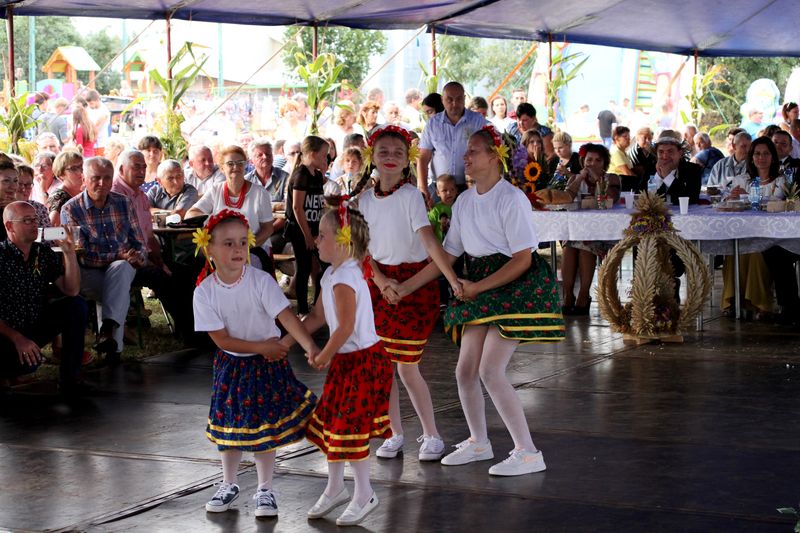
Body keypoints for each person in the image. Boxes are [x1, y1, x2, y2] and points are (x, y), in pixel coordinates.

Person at [393, 126, 564, 476]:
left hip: (513, 284)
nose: (464, 158)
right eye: (466, 152)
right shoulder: (466, 201)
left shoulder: (510, 198)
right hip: (481, 283)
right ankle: (479, 441)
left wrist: (477, 287)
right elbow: (449, 254)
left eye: (472, 151)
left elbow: (522, 259)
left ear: (493, 157)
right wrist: (407, 286)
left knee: (490, 370)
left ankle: (528, 451)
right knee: (465, 370)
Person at [192, 210, 319, 517]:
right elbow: (222, 340)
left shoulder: (261, 281)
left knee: (264, 429)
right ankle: (229, 483)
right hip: (232, 366)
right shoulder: (205, 292)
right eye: (228, 243)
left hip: (266, 366)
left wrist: (310, 345)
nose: (237, 250)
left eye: (242, 242)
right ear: (209, 248)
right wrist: (262, 347)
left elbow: (286, 316)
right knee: (229, 426)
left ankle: (265, 488)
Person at [352, 125, 462, 463]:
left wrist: (451, 279)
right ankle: (394, 433)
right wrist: (382, 281)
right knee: (383, 367)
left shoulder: (412, 196)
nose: (390, 158)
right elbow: (361, 251)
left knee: (407, 367)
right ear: (372, 156)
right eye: (383, 152)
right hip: (379, 283)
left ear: (407, 161)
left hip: (413, 286)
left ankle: (431, 434)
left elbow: (430, 241)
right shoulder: (364, 200)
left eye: (398, 153)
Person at [286, 206, 392, 526]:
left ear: (344, 241)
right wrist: (290, 341)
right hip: (346, 362)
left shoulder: (346, 276)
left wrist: (323, 354)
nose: (316, 240)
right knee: (332, 424)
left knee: (350, 428)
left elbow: (345, 327)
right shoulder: (332, 273)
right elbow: (318, 317)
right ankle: (335, 487)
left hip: (364, 362)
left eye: (322, 235)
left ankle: (364, 492)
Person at [60, 157, 146, 364]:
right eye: (95, 178)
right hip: (88, 272)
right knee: (117, 286)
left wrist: (138, 256)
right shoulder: (71, 209)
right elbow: (82, 255)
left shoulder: (123, 202)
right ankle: (113, 345)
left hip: (122, 268)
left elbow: (139, 241)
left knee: (121, 268)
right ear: (84, 179)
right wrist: (117, 255)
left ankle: (107, 331)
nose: (102, 183)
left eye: (107, 178)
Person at [0, 201, 88, 396]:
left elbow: (71, 290)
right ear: (9, 226)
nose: (34, 224)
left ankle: (70, 377)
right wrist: (17, 338)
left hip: (32, 326)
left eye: (36, 220)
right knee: (20, 366)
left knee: (76, 305)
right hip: (6, 333)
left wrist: (69, 253)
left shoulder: (42, 253)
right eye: (27, 220)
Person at [186, 146, 275, 274]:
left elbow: (268, 229)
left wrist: (244, 248)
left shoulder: (260, 193)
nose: (236, 167)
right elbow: (191, 214)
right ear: (222, 168)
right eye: (230, 163)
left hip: (255, 249)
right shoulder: (215, 190)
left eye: (240, 163)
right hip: (223, 250)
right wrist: (216, 222)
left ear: (245, 166)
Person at [721, 137, 783, 316]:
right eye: (757, 154)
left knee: (756, 253)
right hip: (743, 232)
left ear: (772, 157)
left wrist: (748, 196)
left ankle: (758, 303)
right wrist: (732, 197)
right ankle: (733, 301)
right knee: (734, 252)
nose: (761, 158)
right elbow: (728, 204)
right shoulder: (741, 179)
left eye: (765, 154)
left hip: (770, 234)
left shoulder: (780, 181)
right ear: (751, 156)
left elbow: (777, 203)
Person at [562, 144, 621, 314]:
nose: (593, 164)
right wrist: (579, 178)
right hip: (578, 230)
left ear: (604, 163)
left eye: (597, 160)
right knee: (570, 246)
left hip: (604, 232)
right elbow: (566, 198)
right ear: (583, 161)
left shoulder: (612, 178)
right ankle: (567, 296)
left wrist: (597, 180)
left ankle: (583, 295)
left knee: (584, 246)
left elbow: (612, 197)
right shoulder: (576, 179)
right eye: (589, 160)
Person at [284, 136, 329, 314]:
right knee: (303, 268)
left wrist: (323, 173)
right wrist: (308, 236)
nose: (326, 160)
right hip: (300, 229)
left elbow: (318, 195)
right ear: (313, 154)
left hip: (314, 227)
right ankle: (303, 309)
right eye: (324, 156)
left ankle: (318, 303)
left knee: (323, 267)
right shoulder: (301, 174)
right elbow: (297, 207)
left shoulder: (316, 174)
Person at [417, 82, 487, 195]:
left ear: (464, 99)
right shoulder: (433, 124)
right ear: (442, 99)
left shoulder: (477, 121)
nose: (454, 103)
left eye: (459, 99)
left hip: (469, 187)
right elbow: (423, 158)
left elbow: (487, 151)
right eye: (449, 99)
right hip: (440, 189)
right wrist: (423, 188)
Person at [647, 129, 702, 205]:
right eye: (661, 152)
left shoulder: (693, 170)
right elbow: (639, 196)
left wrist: (667, 177)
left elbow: (692, 199)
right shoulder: (650, 169)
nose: (665, 156)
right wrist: (658, 177)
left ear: (680, 153)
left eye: (670, 151)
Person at [47, 151, 84, 226]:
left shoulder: (85, 189)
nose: (80, 171)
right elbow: (49, 231)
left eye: (82, 166)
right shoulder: (59, 197)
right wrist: (67, 236)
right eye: (73, 169)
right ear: (61, 174)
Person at [428, 174, 458, 242]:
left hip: (457, 245)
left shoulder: (460, 206)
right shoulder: (436, 210)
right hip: (441, 246)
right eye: (444, 190)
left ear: (456, 190)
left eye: (452, 189)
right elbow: (430, 231)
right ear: (438, 193)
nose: (449, 193)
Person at [85, 90, 111, 156]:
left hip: (100, 143)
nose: (89, 106)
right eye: (88, 103)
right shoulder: (88, 109)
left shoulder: (104, 111)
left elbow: (96, 128)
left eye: (91, 103)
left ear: (97, 100)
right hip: (90, 143)